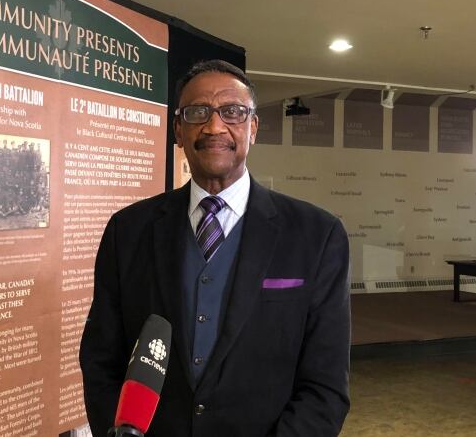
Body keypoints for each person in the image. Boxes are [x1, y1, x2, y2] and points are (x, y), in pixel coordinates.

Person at [80, 60, 351, 437]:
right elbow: (100, 362)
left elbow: (325, 384)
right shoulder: (127, 231)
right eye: (197, 112)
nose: (214, 126)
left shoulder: (317, 236)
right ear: (178, 129)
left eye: (232, 112)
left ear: (253, 128)